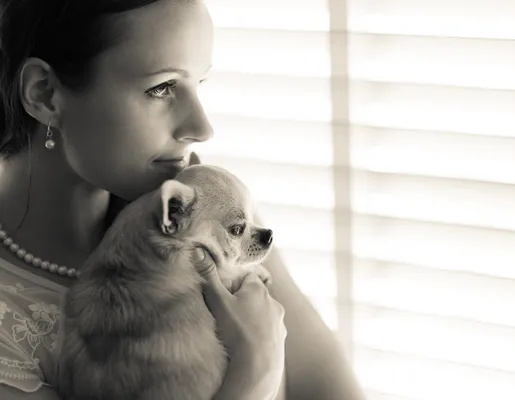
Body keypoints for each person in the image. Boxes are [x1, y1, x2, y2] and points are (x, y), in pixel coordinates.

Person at [0, 0, 365, 399]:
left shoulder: (209, 215)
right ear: (44, 93)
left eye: (198, 85)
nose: (203, 127)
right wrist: (256, 369)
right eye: (162, 88)